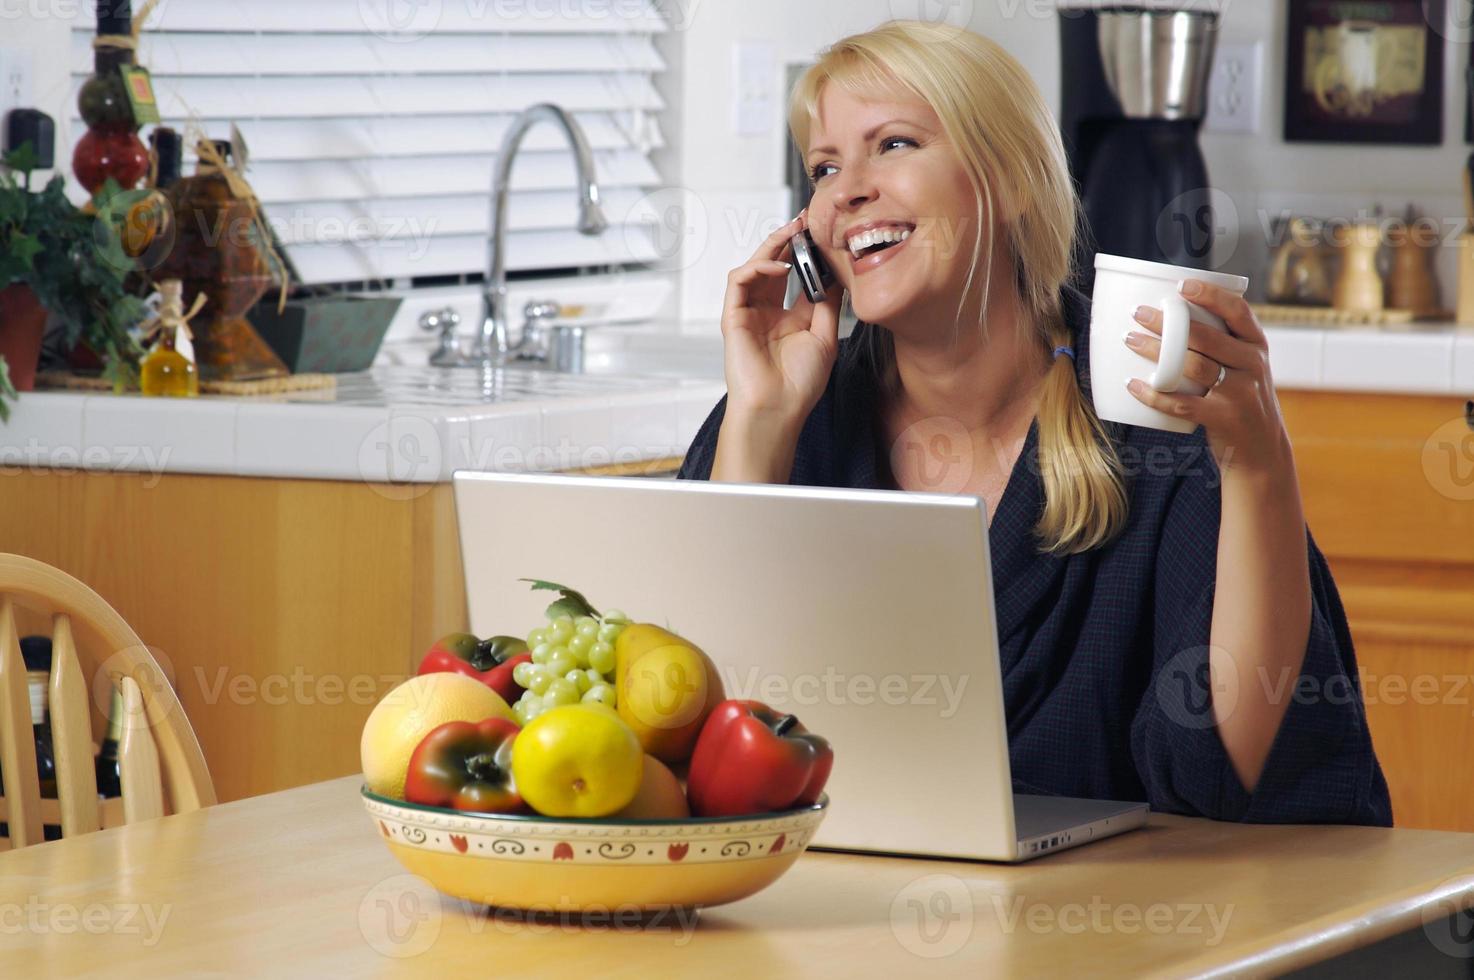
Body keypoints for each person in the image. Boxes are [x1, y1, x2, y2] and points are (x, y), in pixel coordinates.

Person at [676, 21, 1390, 825]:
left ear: (1011, 179)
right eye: (825, 167)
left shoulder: (1155, 412)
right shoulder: (788, 411)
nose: (846, 191)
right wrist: (761, 425)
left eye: (896, 144)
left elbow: (1227, 771)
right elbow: (684, 734)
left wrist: (1258, 464)